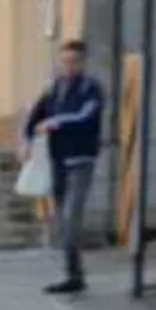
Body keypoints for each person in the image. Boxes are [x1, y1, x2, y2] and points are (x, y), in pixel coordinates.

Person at [24, 39, 105, 296]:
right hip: (57, 162)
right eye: (66, 61)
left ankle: (75, 275)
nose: (69, 66)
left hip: (81, 161)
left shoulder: (91, 89)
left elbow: (85, 117)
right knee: (62, 219)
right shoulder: (54, 89)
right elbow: (34, 117)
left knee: (71, 217)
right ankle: (73, 274)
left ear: (82, 63)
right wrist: (25, 141)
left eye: (74, 61)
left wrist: (55, 122)